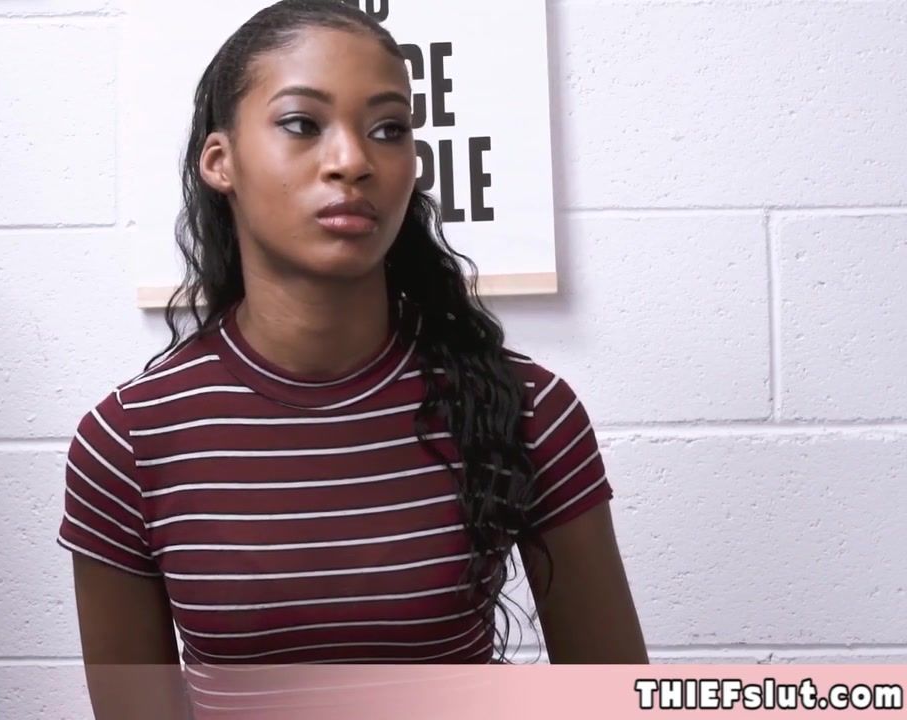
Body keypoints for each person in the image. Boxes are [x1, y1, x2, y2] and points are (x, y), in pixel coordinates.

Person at [57, 1, 648, 716]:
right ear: (221, 161)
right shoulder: (130, 441)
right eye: (302, 124)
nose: (354, 161)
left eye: (388, 129)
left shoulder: (527, 407)